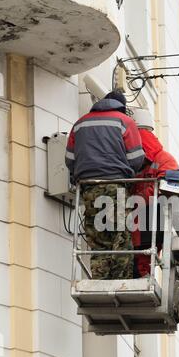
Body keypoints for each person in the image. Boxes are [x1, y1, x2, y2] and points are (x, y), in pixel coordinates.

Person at [65, 91, 145, 280]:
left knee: (98, 238)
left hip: (89, 188)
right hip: (114, 185)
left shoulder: (80, 124)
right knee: (120, 235)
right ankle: (120, 280)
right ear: (121, 107)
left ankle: (100, 279)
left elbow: (69, 159)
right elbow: (136, 158)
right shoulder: (124, 121)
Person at [131, 108, 179, 278]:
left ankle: (142, 272)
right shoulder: (141, 162)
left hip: (151, 219)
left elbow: (167, 189)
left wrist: (134, 201)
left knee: (143, 253)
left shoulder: (163, 160)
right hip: (137, 221)